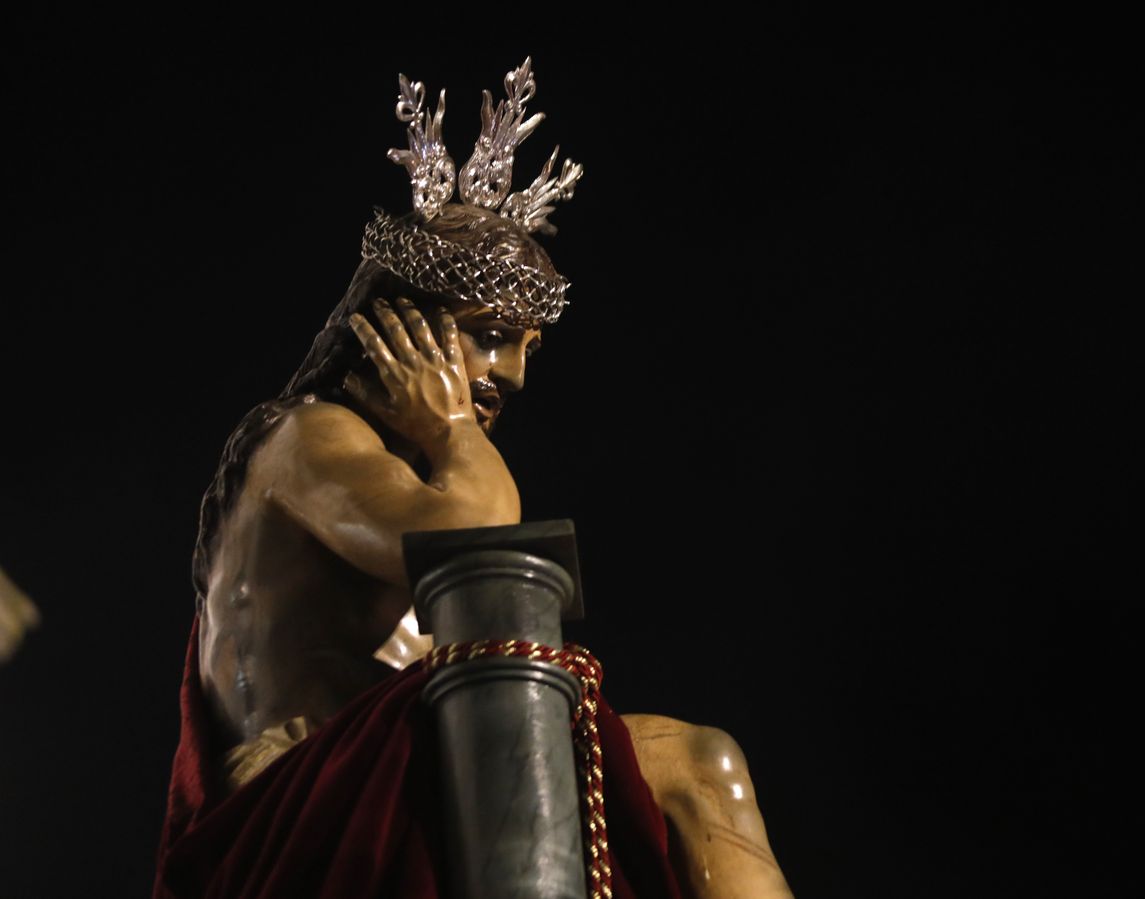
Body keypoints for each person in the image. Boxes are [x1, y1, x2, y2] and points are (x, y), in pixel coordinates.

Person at [154, 59, 791, 899]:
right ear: (396, 323)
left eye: (527, 348)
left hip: (388, 778)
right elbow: (477, 538)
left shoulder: (397, 469)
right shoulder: (308, 437)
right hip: (306, 809)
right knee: (692, 766)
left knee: (699, 767)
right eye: (490, 334)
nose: (514, 375)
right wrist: (452, 426)